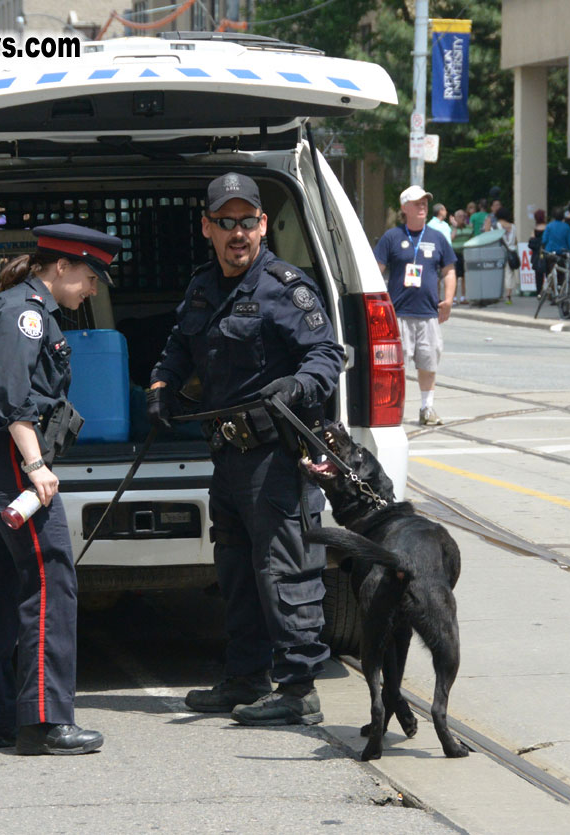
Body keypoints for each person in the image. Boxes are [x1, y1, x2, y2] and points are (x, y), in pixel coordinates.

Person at [149, 173, 344, 726]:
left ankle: (299, 686)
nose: (239, 233)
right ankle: (245, 677)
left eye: (248, 221)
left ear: (263, 224)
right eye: (226, 222)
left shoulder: (286, 287)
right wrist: (161, 388)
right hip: (227, 457)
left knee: (284, 567)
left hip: (274, 456)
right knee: (235, 569)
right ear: (207, 227)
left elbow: (327, 354)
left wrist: (298, 385)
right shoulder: (202, 288)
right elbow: (177, 349)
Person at [0, 223, 122, 755]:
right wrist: (35, 464)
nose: (93, 290)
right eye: (90, 278)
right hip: (11, 456)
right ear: (61, 267)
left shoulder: (16, 305)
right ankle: (48, 721)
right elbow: (12, 396)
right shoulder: (26, 315)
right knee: (51, 581)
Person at [374, 184, 457, 426]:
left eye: (425, 202)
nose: (423, 206)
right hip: (398, 314)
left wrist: (449, 300)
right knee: (395, 367)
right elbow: (375, 271)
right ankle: (393, 409)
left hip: (428, 314)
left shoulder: (437, 238)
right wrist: (380, 303)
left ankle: (427, 408)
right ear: (404, 208)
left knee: (429, 363)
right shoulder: (392, 237)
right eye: (417, 203)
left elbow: (449, 271)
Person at [493, 206, 517, 305]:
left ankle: (498, 294)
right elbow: (515, 241)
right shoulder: (513, 226)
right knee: (509, 274)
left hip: (500, 251)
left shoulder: (497, 225)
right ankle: (508, 295)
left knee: (498, 273)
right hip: (511, 251)